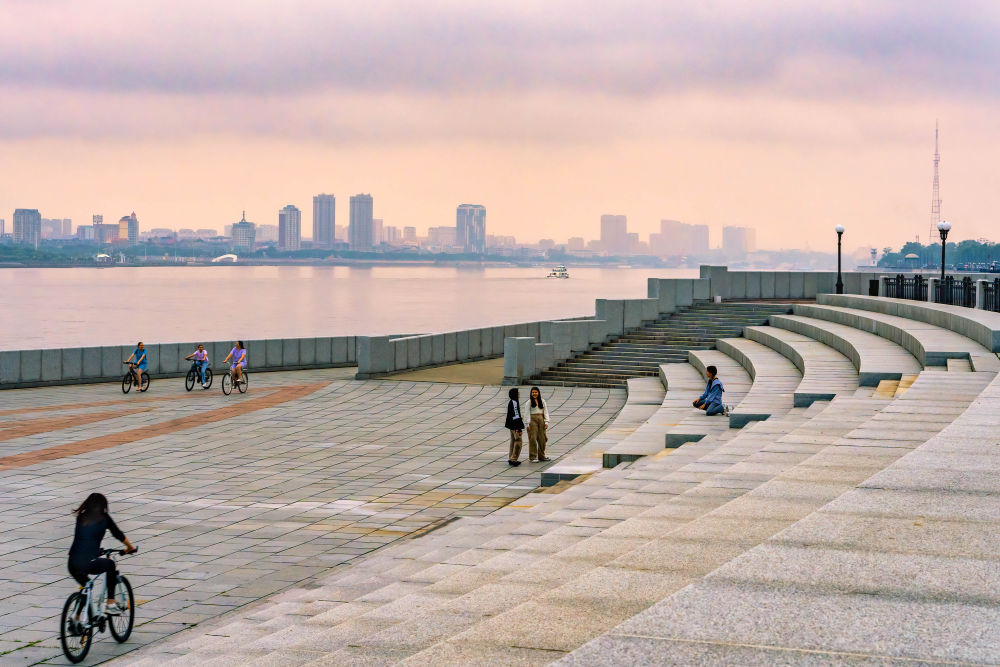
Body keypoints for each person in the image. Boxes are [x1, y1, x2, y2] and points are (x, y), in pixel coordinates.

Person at [68, 493, 136, 617]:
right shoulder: (104, 518)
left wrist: (96, 551)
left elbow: (86, 538)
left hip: (72, 562)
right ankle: (110, 603)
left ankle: (75, 618)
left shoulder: (81, 517)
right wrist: (130, 548)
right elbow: (118, 534)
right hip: (87, 562)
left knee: (86, 586)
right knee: (110, 565)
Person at [527, 386, 551, 462]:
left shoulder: (542, 401)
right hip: (532, 420)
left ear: (538, 393)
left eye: (536, 392)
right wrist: (527, 424)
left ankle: (542, 456)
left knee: (542, 438)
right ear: (531, 393)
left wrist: (546, 422)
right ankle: (532, 457)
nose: (534, 394)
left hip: (541, 420)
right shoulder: (529, 402)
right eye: (533, 392)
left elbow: (546, 412)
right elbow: (526, 413)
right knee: (533, 438)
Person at [504, 388, 525, 466]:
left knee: (513, 441)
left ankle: (511, 458)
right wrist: (519, 428)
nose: (519, 394)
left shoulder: (512, 401)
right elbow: (516, 415)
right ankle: (514, 459)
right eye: (518, 393)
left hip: (511, 426)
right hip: (515, 426)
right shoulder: (514, 402)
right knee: (518, 441)